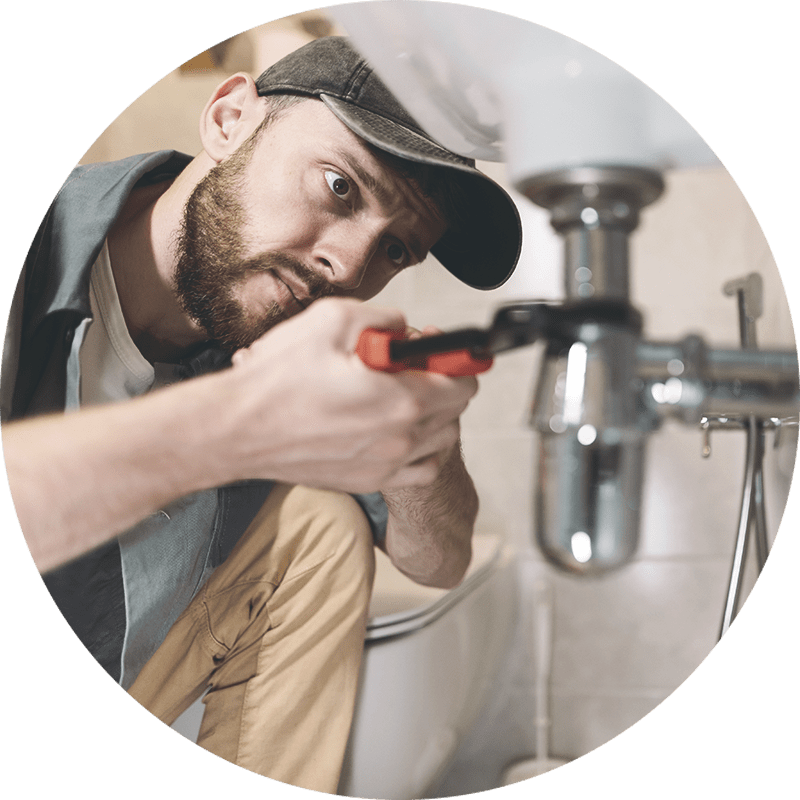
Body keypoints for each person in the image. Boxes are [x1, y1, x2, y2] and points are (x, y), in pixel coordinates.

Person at [1, 36, 520, 793]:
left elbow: (438, 562)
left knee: (320, 528)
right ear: (229, 118)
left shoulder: (282, 336)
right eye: (340, 187)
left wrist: (422, 445)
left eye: (396, 250)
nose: (350, 266)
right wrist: (242, 422)